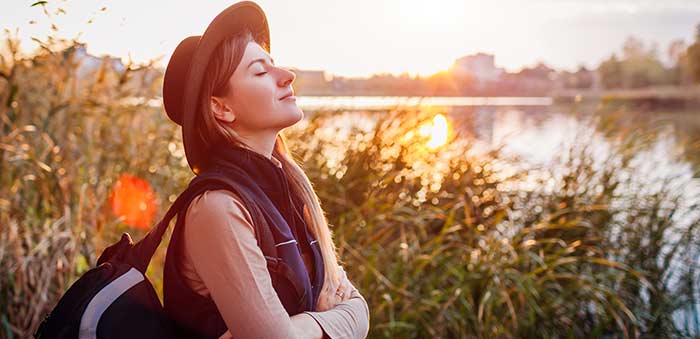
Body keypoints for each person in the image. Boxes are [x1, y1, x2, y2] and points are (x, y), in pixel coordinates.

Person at [160, 2, 370, 338]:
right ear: (221, 107)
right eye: (260, 71)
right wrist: (321, 320)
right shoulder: (217, 208)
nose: (288, 75)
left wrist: (298, 327)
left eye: (273, 65)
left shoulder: (284, 191)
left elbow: (360, 309)